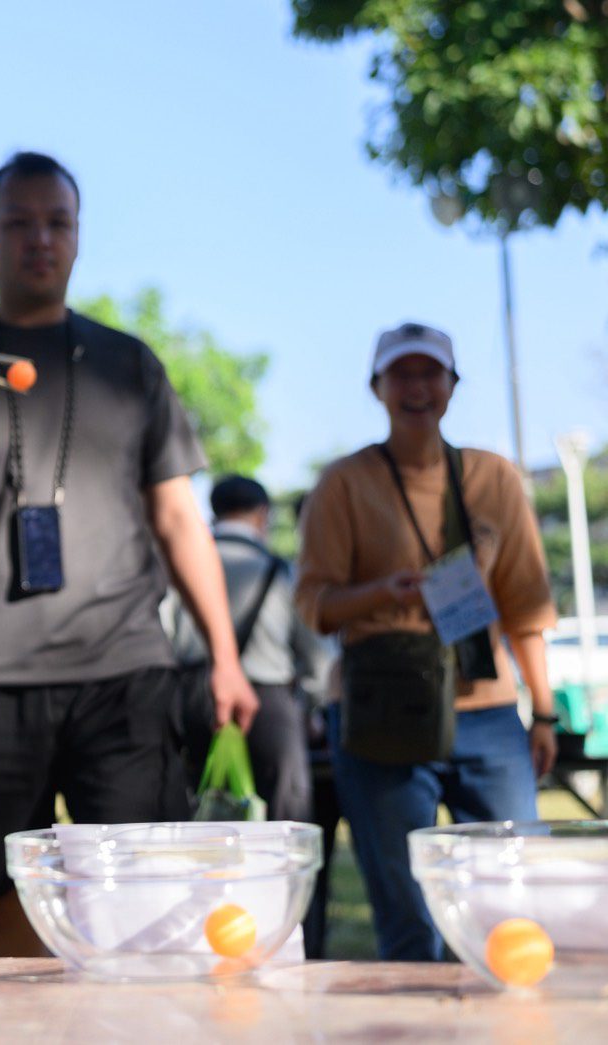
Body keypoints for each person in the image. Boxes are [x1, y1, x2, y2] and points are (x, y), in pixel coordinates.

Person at [0, 152, 259, 957]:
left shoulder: (128, 362)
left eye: (56, 222)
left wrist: (225, 655)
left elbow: (178, 516)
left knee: (146, 892)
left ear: (77, 237)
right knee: (1, 903)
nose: (39, 238)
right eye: (19, 222)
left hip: (122, 667)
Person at [295, 321, 558, 962]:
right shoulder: (345, 482)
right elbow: (315, 605)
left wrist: (543, 710)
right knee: (408, 909)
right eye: (401, 373)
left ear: (452, 385)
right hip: (386, 705)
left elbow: (525, 603)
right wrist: (386, 591)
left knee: (513, 892)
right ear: (377, 387)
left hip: (486, 710)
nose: (417, 387)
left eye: (430, 372)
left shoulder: (494, 478)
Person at [171, 476, 328, 824]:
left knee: (195, 807)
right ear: (262, 514)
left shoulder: (181, 569)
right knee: (285, 811)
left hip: (195, 696)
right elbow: (316, 655)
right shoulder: (280, 571)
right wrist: (313, 705)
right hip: (267, 700)